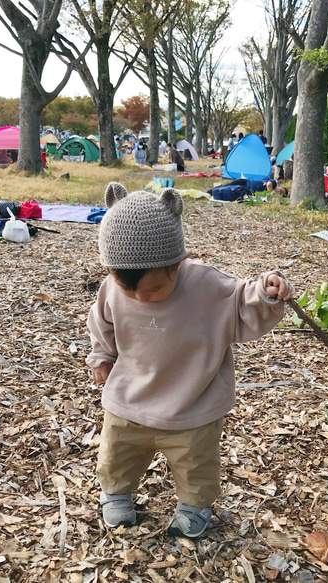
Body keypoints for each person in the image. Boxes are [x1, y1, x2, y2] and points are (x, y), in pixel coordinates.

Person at [86, 182, 294, 538]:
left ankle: (194, 504)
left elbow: (241, 301)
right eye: (128, 288)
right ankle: (117, 492)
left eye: (152, 289)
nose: (140, 297)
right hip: (128, 400)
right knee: (117, 452)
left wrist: (266, 292)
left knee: (196, 462)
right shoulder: (112, 288)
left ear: (178, 262)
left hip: (192, 402)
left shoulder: (205, 284)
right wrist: (102, 356)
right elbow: (102, 323)